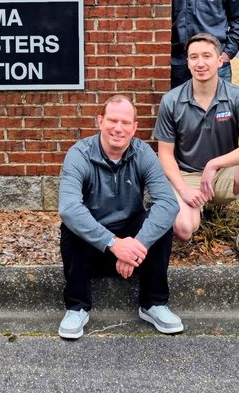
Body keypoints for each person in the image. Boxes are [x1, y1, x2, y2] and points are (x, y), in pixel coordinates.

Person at [57, 96, 181, 339]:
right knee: (71, 226)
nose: (118, 128)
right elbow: (69, 207)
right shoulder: (79, 153)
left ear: (134, 127)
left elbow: (168, 203)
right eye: (112, 120)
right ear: (100, 121)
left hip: (133, 241)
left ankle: (154, 304)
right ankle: (76, 307)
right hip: (94, 245)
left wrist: (136, 246)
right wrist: (114, 244)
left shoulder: (143, 153)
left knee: (161, 221)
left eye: (125, 123)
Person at [154, 33, 239, 270]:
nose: (200, 63)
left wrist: (214, 164)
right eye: (194, 57)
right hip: (187, 175)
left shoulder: (237, 96)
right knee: (183, 230)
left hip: (224, 174)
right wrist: (184, 190)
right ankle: (194, 206)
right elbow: (165, 154)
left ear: (220, 61)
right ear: (187, 62)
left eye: (207, 56)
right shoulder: (171, 100)